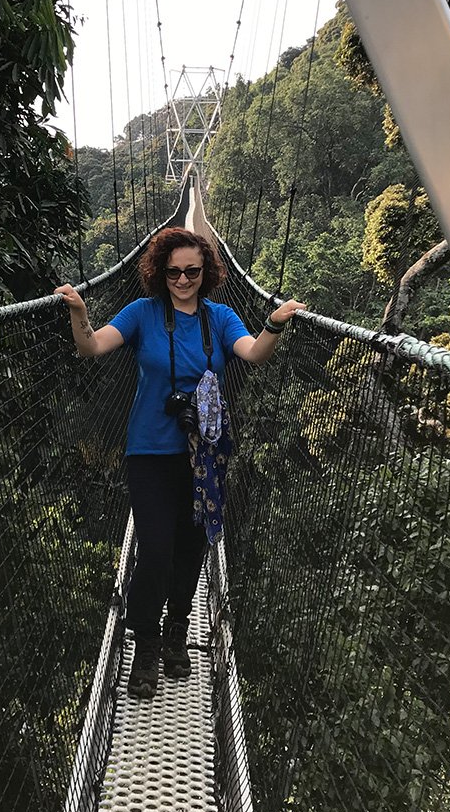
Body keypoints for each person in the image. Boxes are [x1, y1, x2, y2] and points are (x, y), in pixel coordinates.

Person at [55, 227, 305, 700]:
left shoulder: (220, 317)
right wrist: (79, 313)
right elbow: (91, 347)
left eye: (192, 270)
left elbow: (252, 354)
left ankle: (176, 631)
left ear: (206, 271)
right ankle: (145, 643)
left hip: (204, 454)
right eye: (174, 272)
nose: (183, 279)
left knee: (191, 550)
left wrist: (273, 324)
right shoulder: (143, 314)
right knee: (154, 550)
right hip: (149, 450)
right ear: (160, 273)